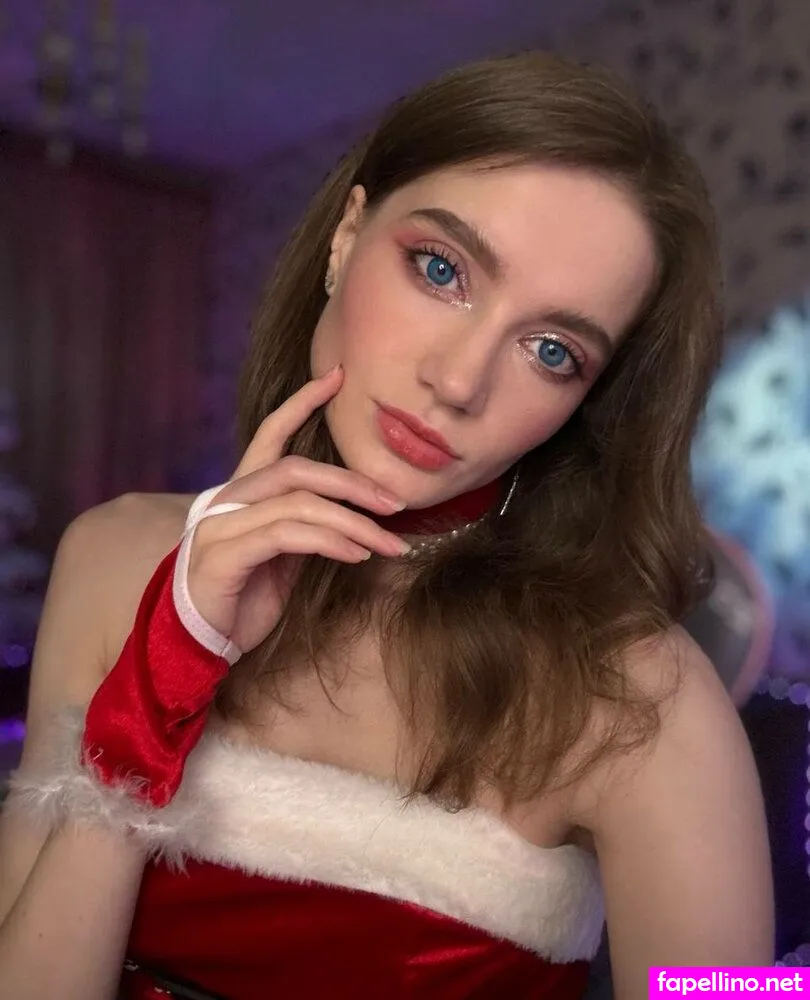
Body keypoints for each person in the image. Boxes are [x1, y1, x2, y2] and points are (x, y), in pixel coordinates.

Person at [0, 50, 774, 1000]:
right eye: (441, 269)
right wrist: (157, 692)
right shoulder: (114, 553)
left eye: (550, 350)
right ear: (345, 236)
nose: (458, 380)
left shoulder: (638, 695)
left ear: (587, 401)